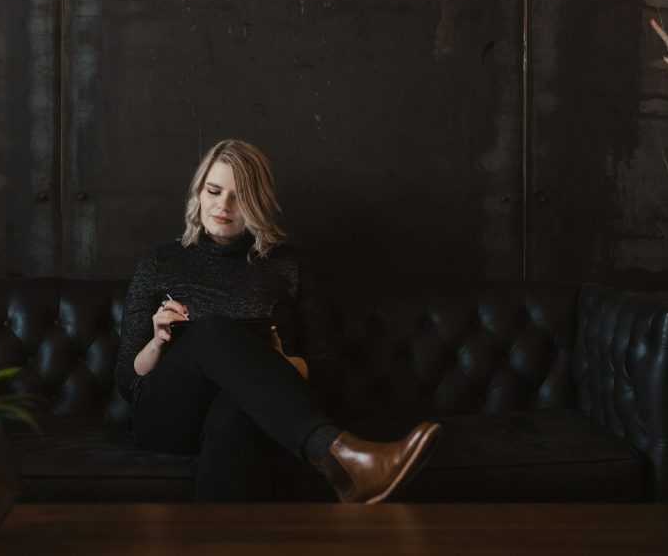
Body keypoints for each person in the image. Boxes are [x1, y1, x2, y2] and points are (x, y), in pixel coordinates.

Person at [114, 139, 440, 502]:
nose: (223, 205)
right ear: (198, 193)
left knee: (235, 406)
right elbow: (128, 382)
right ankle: (333, 453)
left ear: (258, 203)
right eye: (214, 191)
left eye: (239, 196)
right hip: (169, 418)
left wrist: (277, 363)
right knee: (211, 331)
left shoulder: (288, 266)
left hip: (253, 414)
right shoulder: (159, 264)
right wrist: (158, 341)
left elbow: (329, 369)